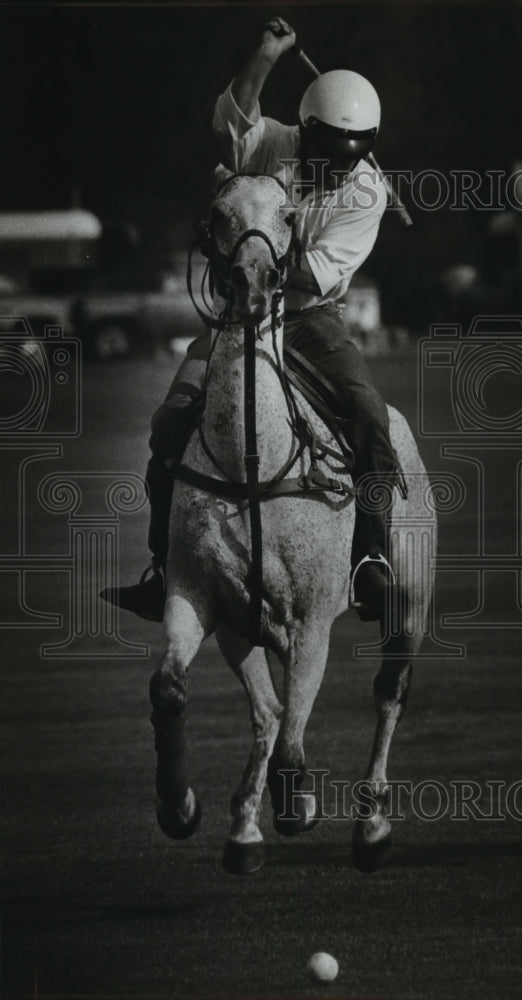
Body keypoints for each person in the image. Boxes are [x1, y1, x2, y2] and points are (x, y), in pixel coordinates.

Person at [102, 16, 405, 624]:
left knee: (370, 414)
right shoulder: (274, 143)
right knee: (168, 425)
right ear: (307, 130)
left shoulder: (367, 191)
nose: (336, 171)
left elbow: (316, 274)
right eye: (326, 156)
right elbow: (231, 122)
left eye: (350, 160)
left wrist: (253, 257)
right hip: (233, 317)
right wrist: (266, 55)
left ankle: (371, 558)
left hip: (310, 320)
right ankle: (162, 568)